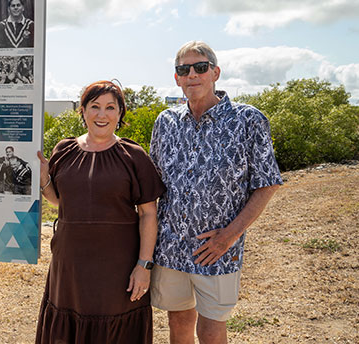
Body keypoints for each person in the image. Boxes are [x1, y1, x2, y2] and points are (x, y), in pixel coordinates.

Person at [149, 41, 283, 344]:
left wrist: (229, 236)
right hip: (171, 248)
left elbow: (267, 183)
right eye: (184, 69)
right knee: (179, 323)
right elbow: (152, 183)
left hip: (217, 249)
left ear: (215, 72)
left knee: (211, 329)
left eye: (200, 67)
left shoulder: (248, 120)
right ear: (177, 78)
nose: (192, 74)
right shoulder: (165, 123)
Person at [35, 80, 165, 343]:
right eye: (95, 106)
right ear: (83, 111)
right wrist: (44, 179)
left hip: (117, 267)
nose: (102, 114)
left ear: (120, 114)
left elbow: (149, 214)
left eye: (110, 107)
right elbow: (60, 203)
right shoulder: (64, 150)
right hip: (69, 264)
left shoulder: (134, 155)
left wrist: (144, 265)